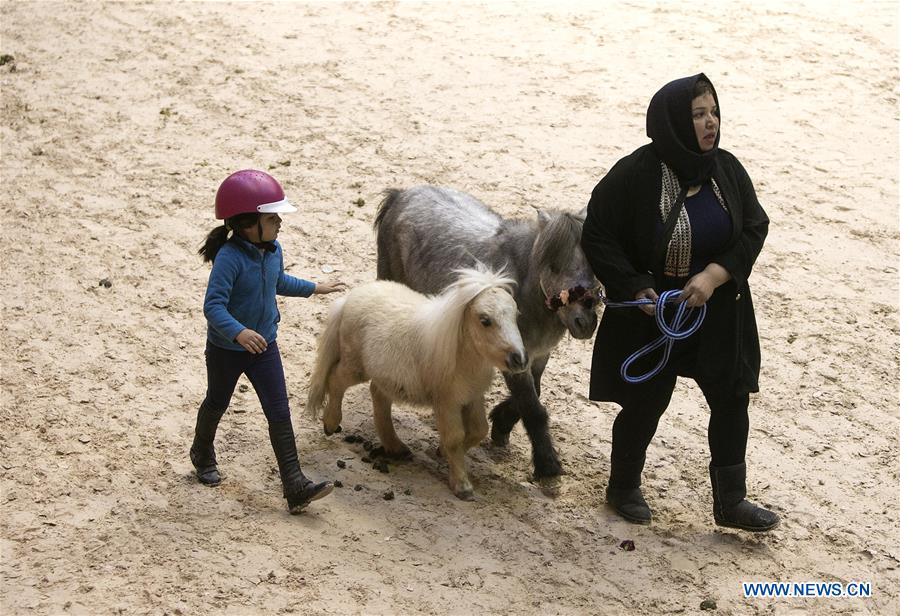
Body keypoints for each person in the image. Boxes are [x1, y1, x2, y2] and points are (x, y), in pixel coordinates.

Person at [580, 74, 779, 531]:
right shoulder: (634, 174)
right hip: (656, 313)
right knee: (646, 402)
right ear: (671, 122)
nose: (711, 123)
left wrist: (714, 275)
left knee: (731, 398)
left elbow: (754, 227)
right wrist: (634, 285)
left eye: (714, 112)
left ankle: (731, 502)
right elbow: (598, 233)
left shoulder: (727, 169)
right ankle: (623, 487)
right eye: (698, 114)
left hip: (718, 309)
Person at [192, 169, 346, 514]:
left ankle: (295, 485)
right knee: (217, 401)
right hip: (227, 350)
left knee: (278, 411)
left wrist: (315, 288)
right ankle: (201, 452)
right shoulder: (229, 258)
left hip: (264, 347)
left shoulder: (272, 250)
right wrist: (239, 332)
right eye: (272, 218)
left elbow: (279, 282)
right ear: (249, 223)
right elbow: (213, 306)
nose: (279, 223)